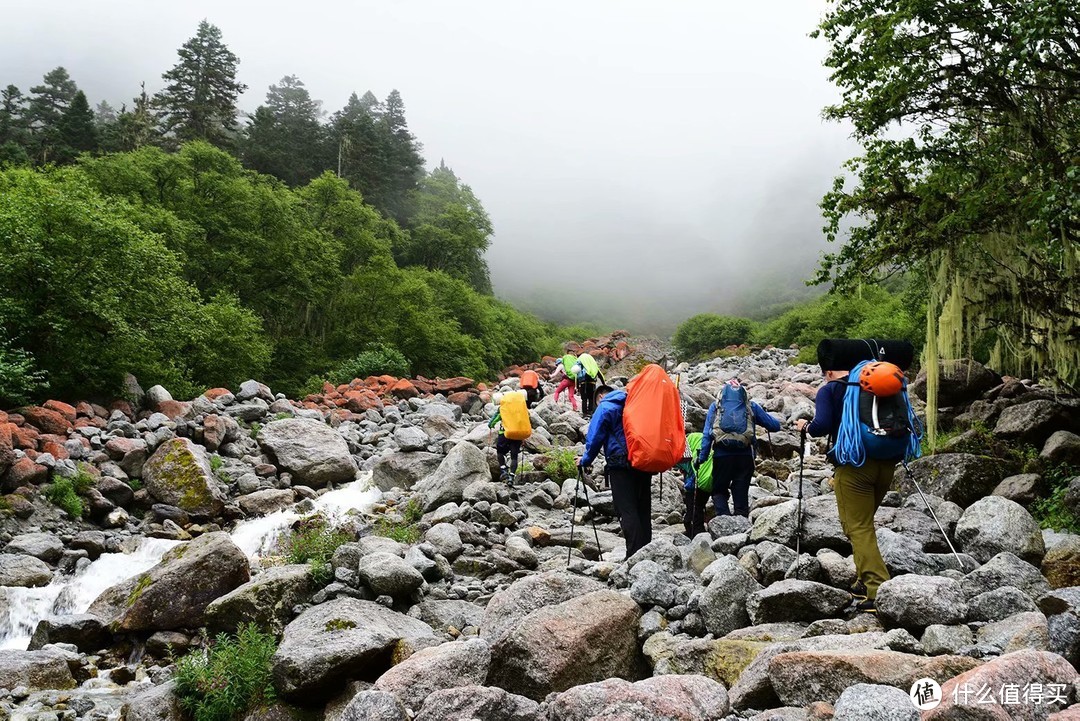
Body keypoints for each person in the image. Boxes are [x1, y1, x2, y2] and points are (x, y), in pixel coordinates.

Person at [796, 366, 891, 614]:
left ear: (828, 371)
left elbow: (822, 425)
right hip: (886, 461)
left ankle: (878, 589)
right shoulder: (873, 384)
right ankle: (862, 580)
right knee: (864, 522)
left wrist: (805, 427)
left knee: (857, 527)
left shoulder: (830, 390)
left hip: (854, 464)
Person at [578, 384, 653, 558]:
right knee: (643, 508)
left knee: (627, 509)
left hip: (620, 464)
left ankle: (634, 554)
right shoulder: (634, 403)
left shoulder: (605, 406)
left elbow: (595, 436)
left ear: (600, 397)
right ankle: (648, 552)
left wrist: (585, 460)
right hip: (642, 460)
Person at [699, 379, 782, 517]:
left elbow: (707, 435)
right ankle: (741, 524)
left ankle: (723, 522)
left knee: (719, 491)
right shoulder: (750, 406)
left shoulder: (716, 406)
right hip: (745, 456)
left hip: (722, 456)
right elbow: (774, 426)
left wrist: (701, 458)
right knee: (741, 492)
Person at [678, 431, 711, 537]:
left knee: (694, 507)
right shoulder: (700, 440)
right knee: (700, 505)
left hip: (696, 482)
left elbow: (688, 470)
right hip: (710, 475)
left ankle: (694, 532)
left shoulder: (685, 449)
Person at [488, 392, 523, 486]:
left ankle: (504, 471)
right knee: (514, 457)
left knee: (500, 453)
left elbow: (493, 421)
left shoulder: (503, 408)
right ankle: (511, 477)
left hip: (504, 434)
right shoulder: (521, 408)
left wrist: (490, 425)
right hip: (517, 434)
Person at [576, 352, 606, 418]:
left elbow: (577, 377)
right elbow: (600, 375)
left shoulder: (580, 366)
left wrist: (577, 387)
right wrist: (604, 384)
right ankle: (591, 412)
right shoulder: (593, 366)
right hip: (592, 384)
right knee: (591, 399)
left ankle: (585, 413)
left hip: (583, 385)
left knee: (584, 399)